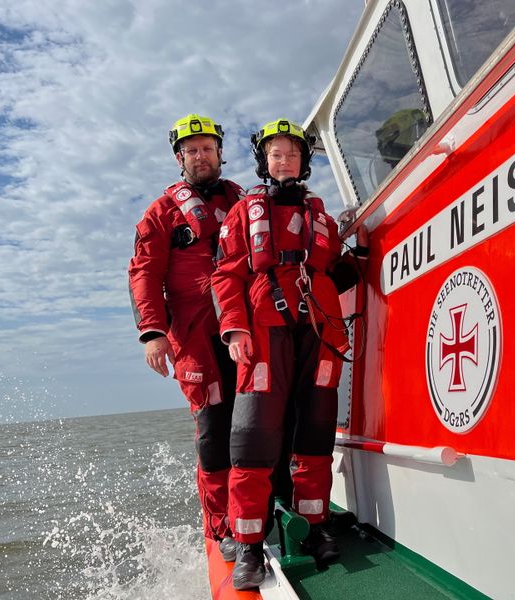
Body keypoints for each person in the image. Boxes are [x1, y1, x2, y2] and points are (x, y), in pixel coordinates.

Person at [211, 118, 368, 590]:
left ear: (303, 162)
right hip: (263, 336)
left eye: (293, 155)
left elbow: (340, 271)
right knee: (254, 442)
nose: (285, 162)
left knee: (315, 435)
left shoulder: (321, 216)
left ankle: (315, 527)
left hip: (318, 335)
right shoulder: (244, 212)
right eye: (276, 155)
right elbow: (225, 277)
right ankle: (250, 547)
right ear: (265, 161)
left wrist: (357, 251)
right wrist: (235, 330)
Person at [128, 113, 245, 562]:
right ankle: (222, 528)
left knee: (258, 418)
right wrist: (152, 335)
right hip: (194, 334)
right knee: (214, 429)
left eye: (207, 148)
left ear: (219, 153)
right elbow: (143, 273)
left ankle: (261, 505)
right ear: (180, 158)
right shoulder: (161, 213)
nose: (201, 156)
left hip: (244, 327)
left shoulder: (242, 199)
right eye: (191, 150)